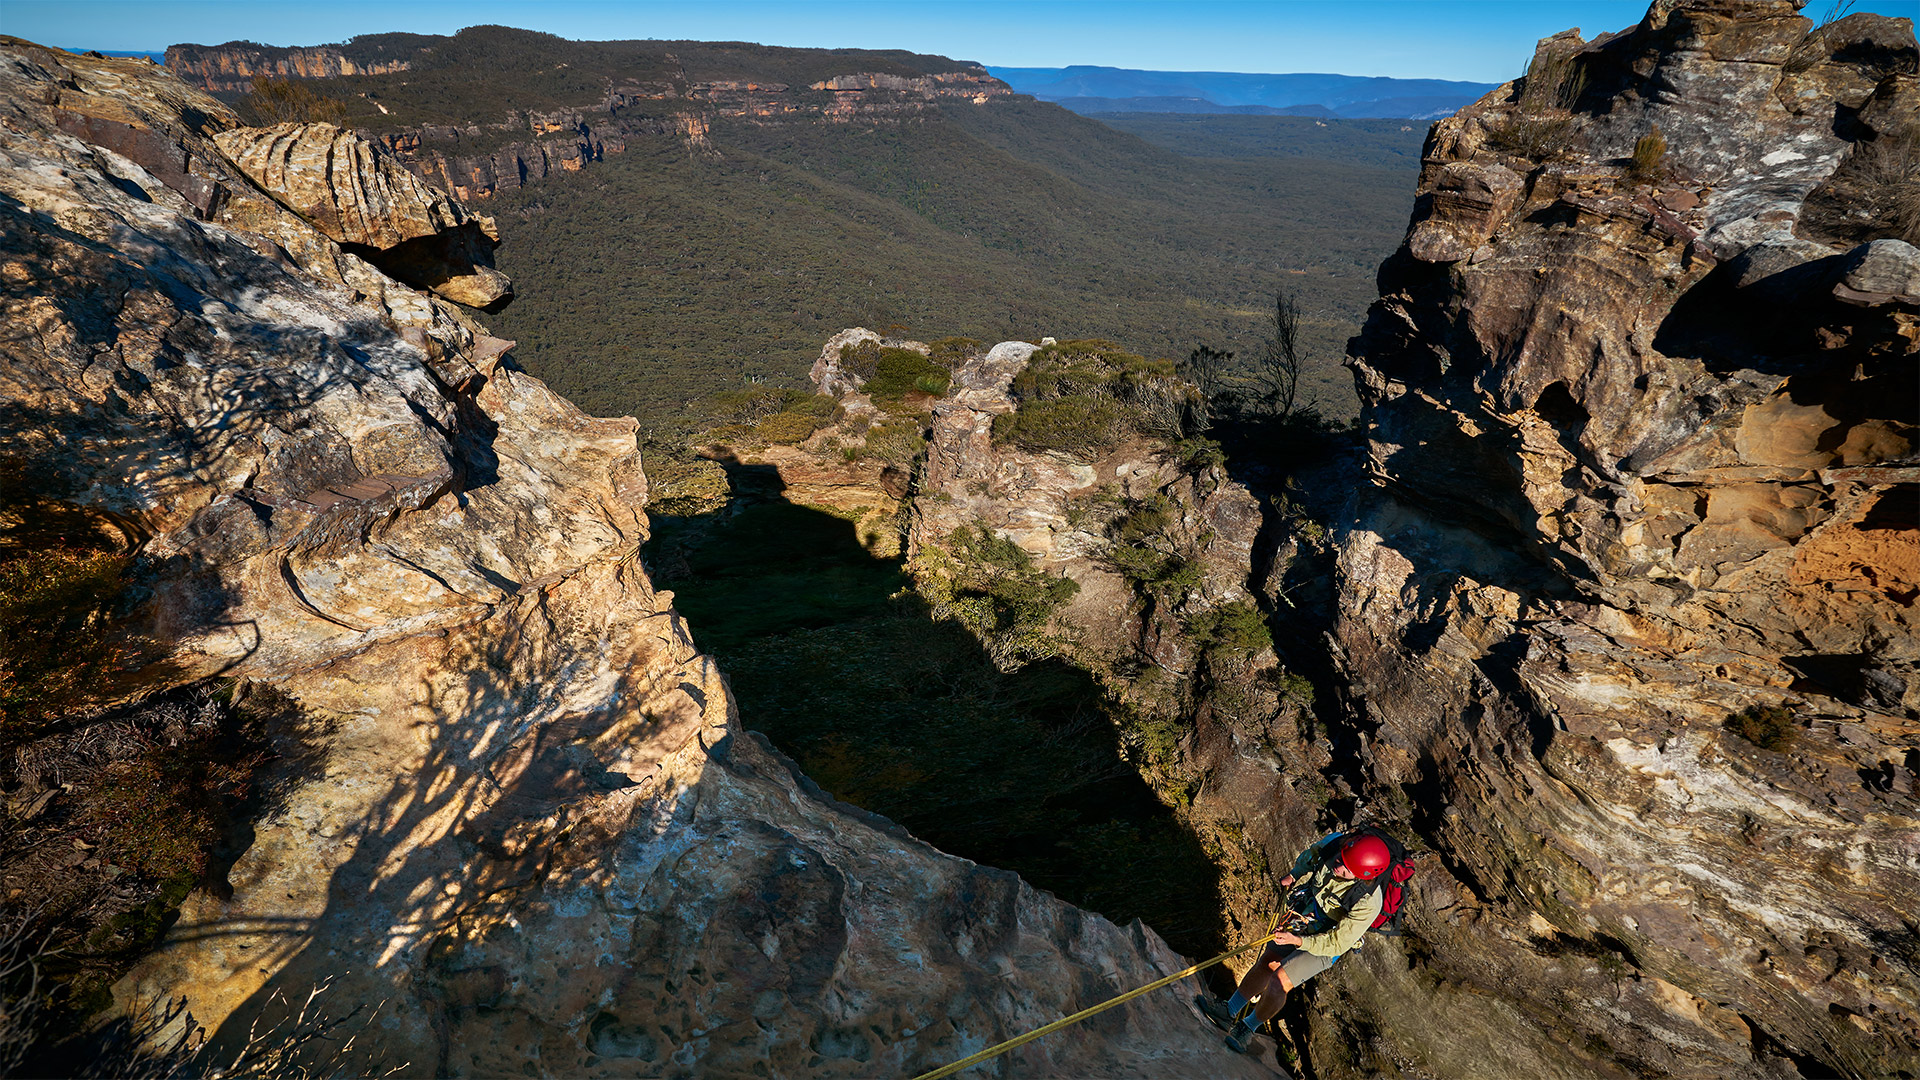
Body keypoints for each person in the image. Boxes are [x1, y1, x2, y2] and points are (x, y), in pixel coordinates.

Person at [1196, 831, 1393, 1053]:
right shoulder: (1336, 844)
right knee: (1268, 961)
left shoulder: (1368, 902)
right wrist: (1294, 874)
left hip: (1329, 941)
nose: (1338, 866)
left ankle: (1247, 1028)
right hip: (1308, 915)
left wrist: (1298, 941)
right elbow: (1311, 856)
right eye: (1340, 860)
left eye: (1346, 869)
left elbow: (1338, 942)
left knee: (1280, 980)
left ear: (1362, 876)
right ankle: (1229, 1010)